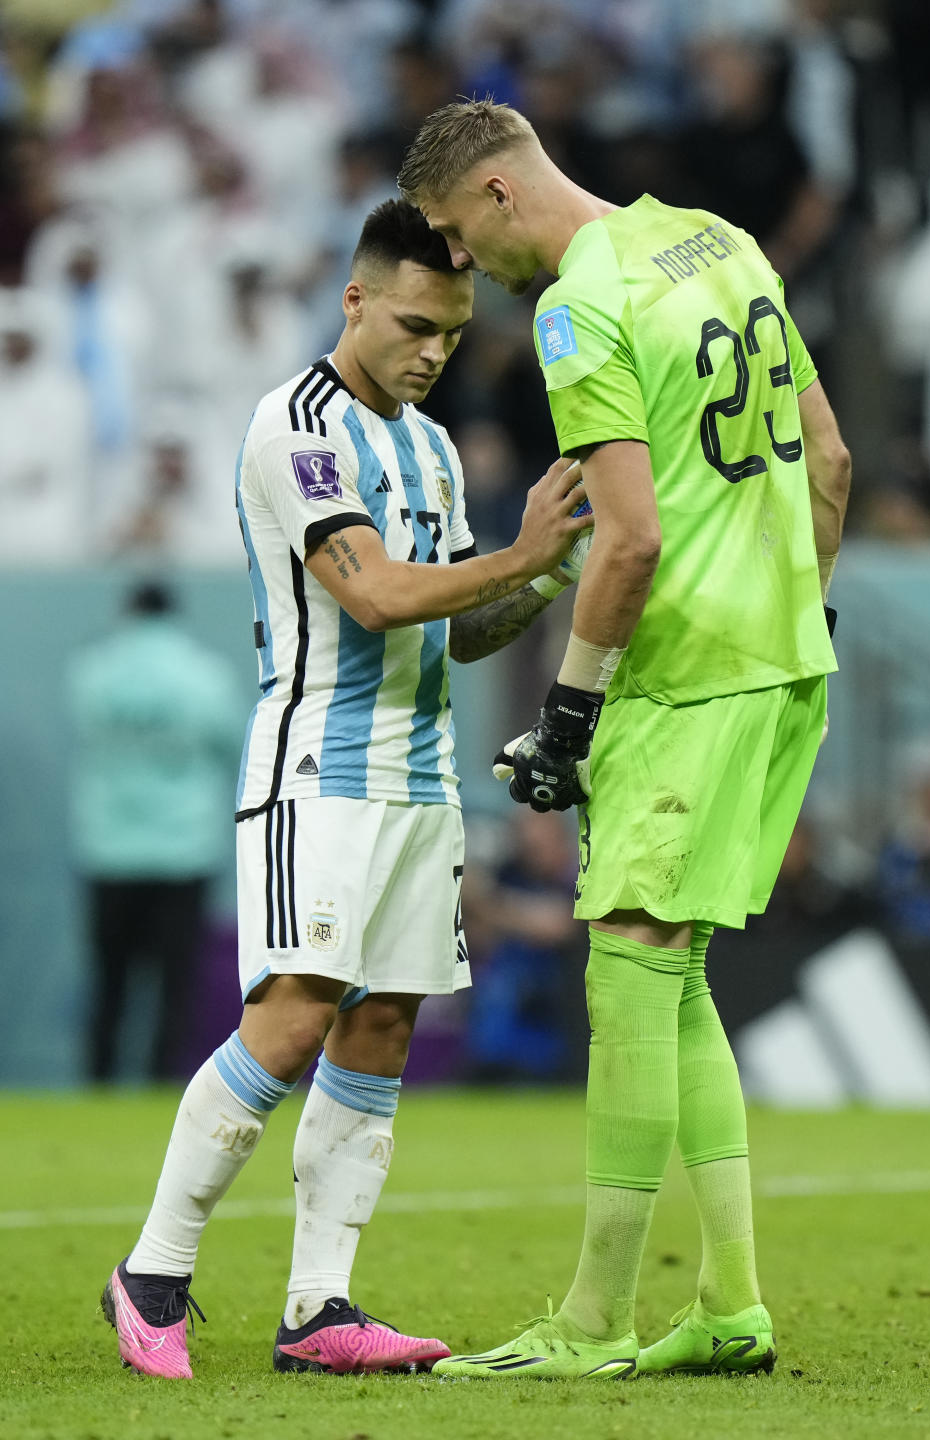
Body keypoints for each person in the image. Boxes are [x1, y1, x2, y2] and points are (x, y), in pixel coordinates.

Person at [100, 198, 591, 1380]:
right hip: (316, 767)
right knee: (292, 1016)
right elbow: (371, 594)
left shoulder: (426, 447)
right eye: (416, 324)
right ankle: (154, 1270)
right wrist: (520, 553)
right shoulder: (295, 426)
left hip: (421, 780)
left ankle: (320, 1308)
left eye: (455, 334)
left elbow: (462, 629)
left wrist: (544, 573)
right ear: (355, 300)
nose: (433, 351)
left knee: (381, 1026)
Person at [399, 99, 851, 1380]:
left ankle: (591, 1321)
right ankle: (731, 1305)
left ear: (492, 194)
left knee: (628, 965)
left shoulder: (577, 304)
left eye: (455, 237)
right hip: (782, 660)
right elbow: (828, 456)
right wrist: (798, 610)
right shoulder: (718, 241)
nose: (465, 267)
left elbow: (633, 535)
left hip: (684, 675)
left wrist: (567, 713)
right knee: (678, 970)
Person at [67, 580, 244, 1081]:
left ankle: (98, 1080)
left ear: (128, 610)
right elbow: (229, 746)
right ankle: (162, 1084)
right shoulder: (203, 675)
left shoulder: (93, 672)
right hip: (182, 847)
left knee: (109, 980)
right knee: (175, 982)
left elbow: (88, 734)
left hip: (108, 846)